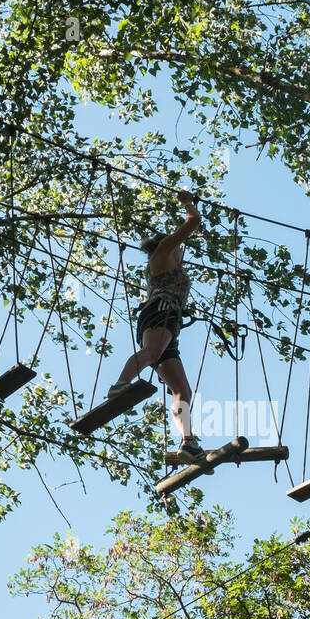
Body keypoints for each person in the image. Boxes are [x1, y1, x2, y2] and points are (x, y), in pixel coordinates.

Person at [107, 189, 204, 458]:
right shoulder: (161, 253)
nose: (182, 252)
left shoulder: (169, 261)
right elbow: (192, 223)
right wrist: (188, 204)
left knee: (181, 389)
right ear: (169, 245)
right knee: (152, 354)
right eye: (179, 247)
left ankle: (187, 441)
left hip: (169, 321)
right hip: (160, 312)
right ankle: (121, 384)